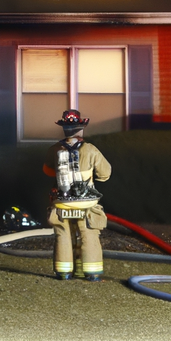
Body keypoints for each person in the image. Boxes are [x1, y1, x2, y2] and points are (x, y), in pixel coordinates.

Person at [43, 109, 111, 281]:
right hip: (85, 203)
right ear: (81, 129)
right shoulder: (90, 150)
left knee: (62, 233)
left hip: (62, 202)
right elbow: (105, 174)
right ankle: (92, 273)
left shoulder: (55, 149)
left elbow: (47, 171)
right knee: (89, 234)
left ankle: (64, 272)